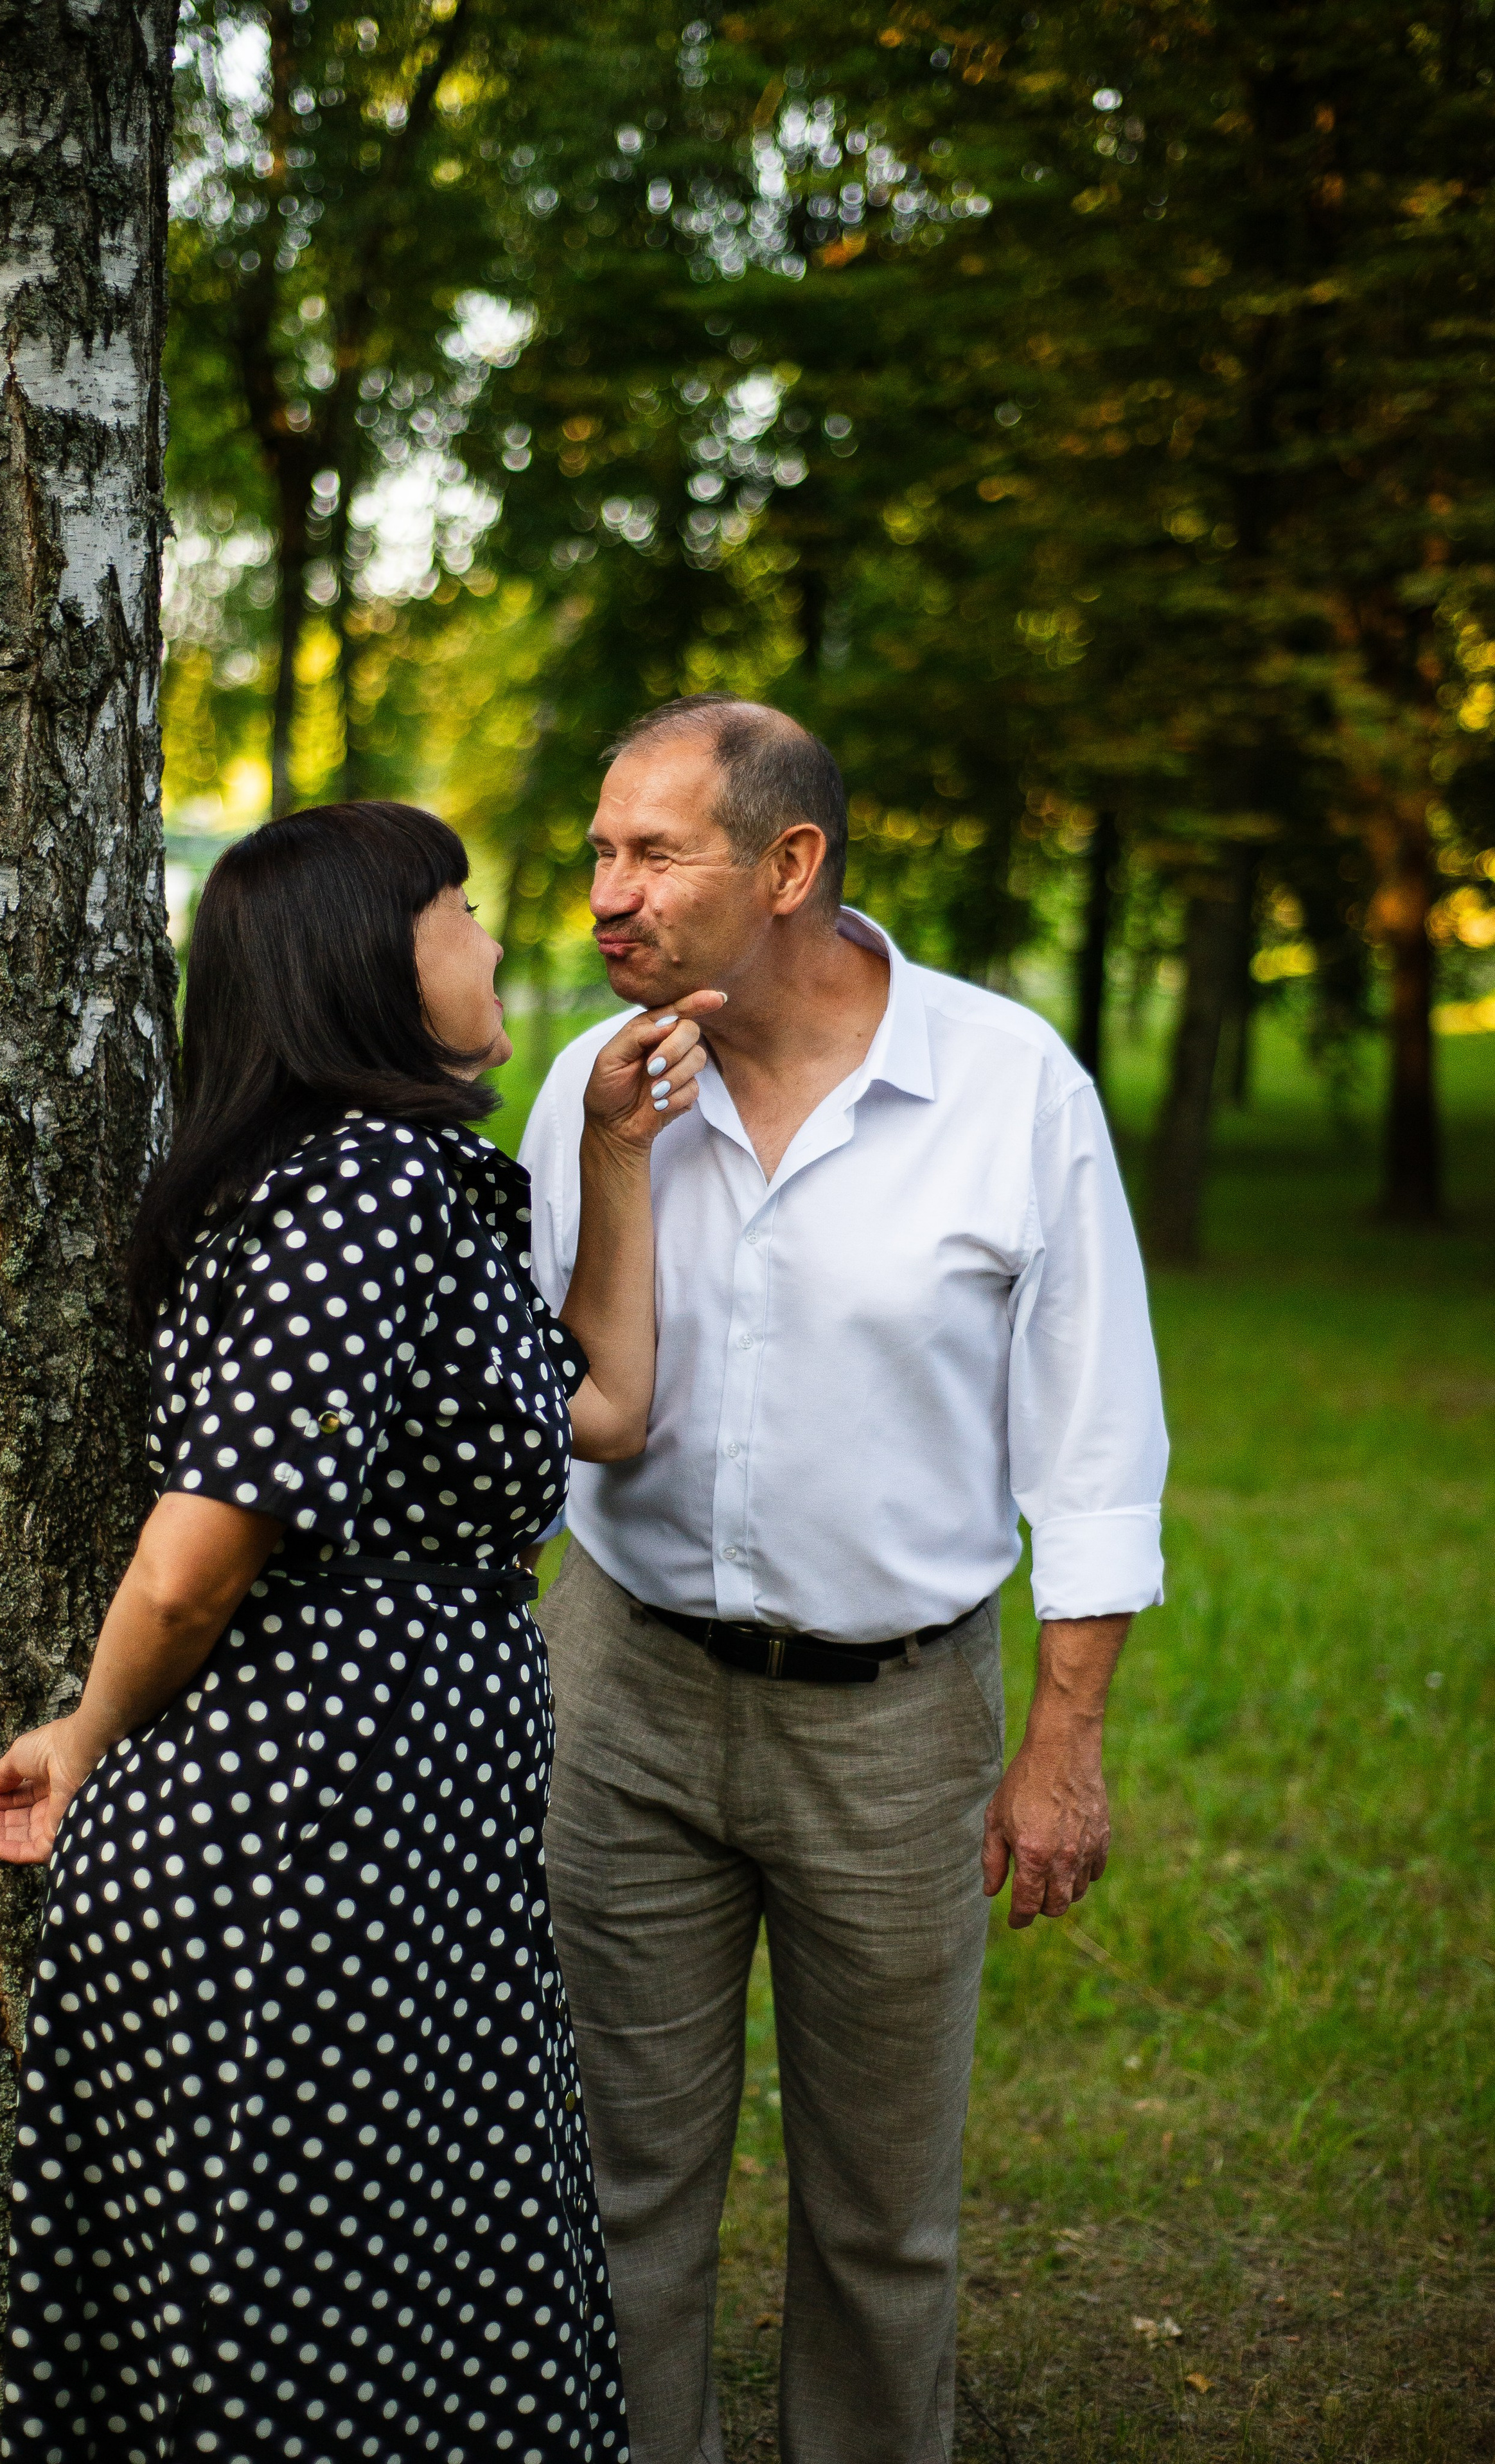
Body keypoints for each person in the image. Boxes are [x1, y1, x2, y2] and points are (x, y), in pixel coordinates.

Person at [0, 800, 718, 2464]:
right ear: (375, 963)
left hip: (399, 1850)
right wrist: (83, 1739)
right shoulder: (361, 1186)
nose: (499, 934)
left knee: (397, 2301)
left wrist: (612, 1152)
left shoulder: (403, 1185)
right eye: (460, 909)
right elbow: (198, 1556)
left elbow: (601, 1405)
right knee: (309, 2329)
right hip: (298, 1855)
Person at [518, 698, 1169, 2464]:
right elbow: (563, 1403)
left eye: (656, 853)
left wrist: (1065, 1741)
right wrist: (613, 1159)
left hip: (893, 1723)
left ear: (791, 864)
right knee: (615, 2177)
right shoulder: (593, 1084)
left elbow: (1097, 1444)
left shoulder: (1009, 1086)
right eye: (600, 852)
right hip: (622, 1685)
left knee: (884, 2210)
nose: (609, 897)